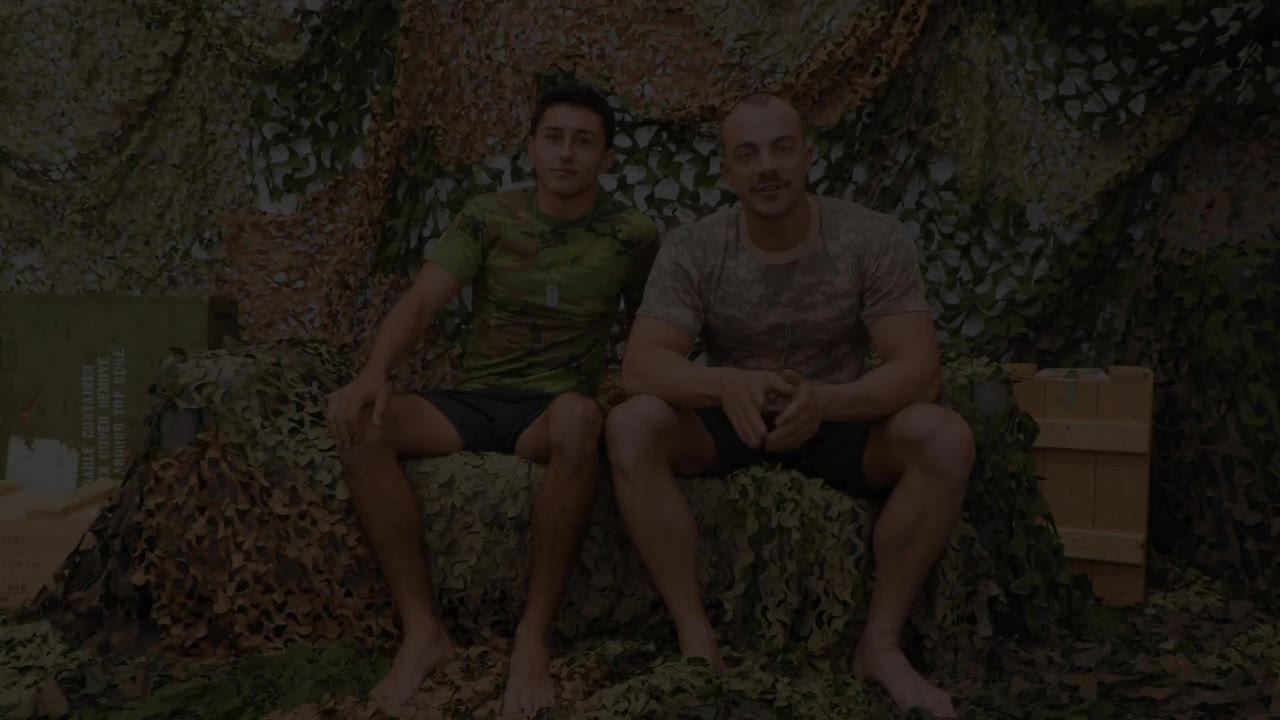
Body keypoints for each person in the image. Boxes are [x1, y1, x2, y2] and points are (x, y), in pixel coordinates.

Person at [603, 92, 975, 719]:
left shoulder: (869, 236)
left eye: (781, 148)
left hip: (839, 417)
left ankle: (881, 646)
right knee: (631, 423)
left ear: (807, 155)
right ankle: (696, 639)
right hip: (734, 419)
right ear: (727, 170)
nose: (766, 166)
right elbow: (641, 366)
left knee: (946, 435)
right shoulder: (696, 246)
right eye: (747, 154)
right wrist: (725, 384)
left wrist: (828, 402)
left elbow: (918, 368)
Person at [325, 81, 658, 718]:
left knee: (580, 416)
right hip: (475, 401)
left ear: (607, 157)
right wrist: (372, 374)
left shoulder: (632, 235)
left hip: (551, 412)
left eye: (583, 141)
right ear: (530, 147)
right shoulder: (489, 216)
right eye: (553, 138)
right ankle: (423, 632)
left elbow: (653, 331)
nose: (566, 153)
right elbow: (424, 299)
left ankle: (533, 635)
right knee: (363, 425)